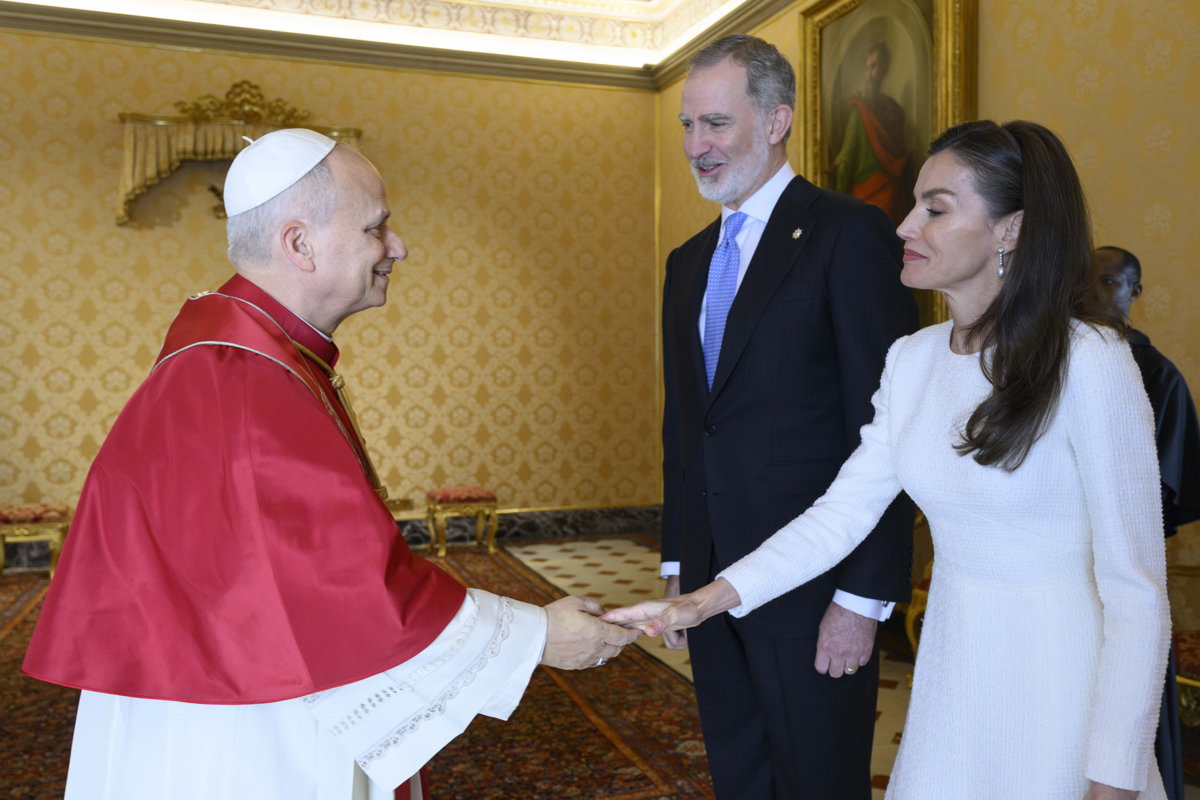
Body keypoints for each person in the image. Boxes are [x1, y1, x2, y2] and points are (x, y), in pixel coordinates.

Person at [22, 129, 640, 800]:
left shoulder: (250, 352)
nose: (398, 247)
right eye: (376, 227)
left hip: (237, 681)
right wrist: (536, 636)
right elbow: (344, 585)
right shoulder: (239, 376)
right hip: (245, 732)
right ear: (300, 244)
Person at [610, 119, 1171, 800]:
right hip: (951, 683)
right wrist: (704, 601)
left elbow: (1137, 593)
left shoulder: (1092, 361)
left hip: (1061, 693)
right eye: (914, 205)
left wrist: (1114, 775)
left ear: (1011, 229)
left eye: (936, 208)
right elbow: (838, 516)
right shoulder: (913, 359)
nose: (905, 225)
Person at [658, 34, 918, 800]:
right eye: (687, 125)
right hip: (710, 579)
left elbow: (888, 430)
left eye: (716, 123)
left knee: (818, 783)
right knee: (740, 776)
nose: (696, 146)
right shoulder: (687, 262)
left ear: (777, 122)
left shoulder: (847, 233)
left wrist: (862, 597)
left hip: (815, 588)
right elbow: (686, 425)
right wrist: (678, 562)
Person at [1095, 245, 1200, 800]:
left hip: (1125, 567)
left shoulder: (1159, 377)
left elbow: (1163, 496)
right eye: (1083, 280)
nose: (1093, 292)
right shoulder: (1051, 361)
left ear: (1134, 291)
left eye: (1109, 281)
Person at [832, 41, 912, 225]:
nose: (869, 73)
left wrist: (835, 202)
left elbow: (846, 160)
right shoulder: (870, 109)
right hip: (876, 199)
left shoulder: (883, 111)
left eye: (874, 66)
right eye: (868, 67)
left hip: (882, 198)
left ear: (884, 68)